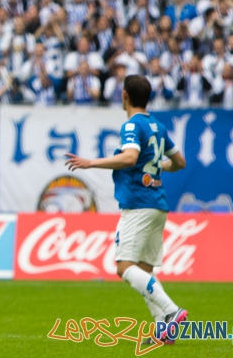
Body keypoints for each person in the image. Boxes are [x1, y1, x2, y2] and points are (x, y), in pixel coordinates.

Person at [64, 75, 187, 343]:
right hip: (157, 205)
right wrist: (155, 166)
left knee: (124, 267)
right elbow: (179, 162)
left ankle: (172, 311)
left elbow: (130, 156)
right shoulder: (158, 125)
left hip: (138, 204)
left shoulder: (132, 125)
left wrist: (91, 163)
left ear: (124, 96)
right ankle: (162, 330)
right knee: (144, 269)